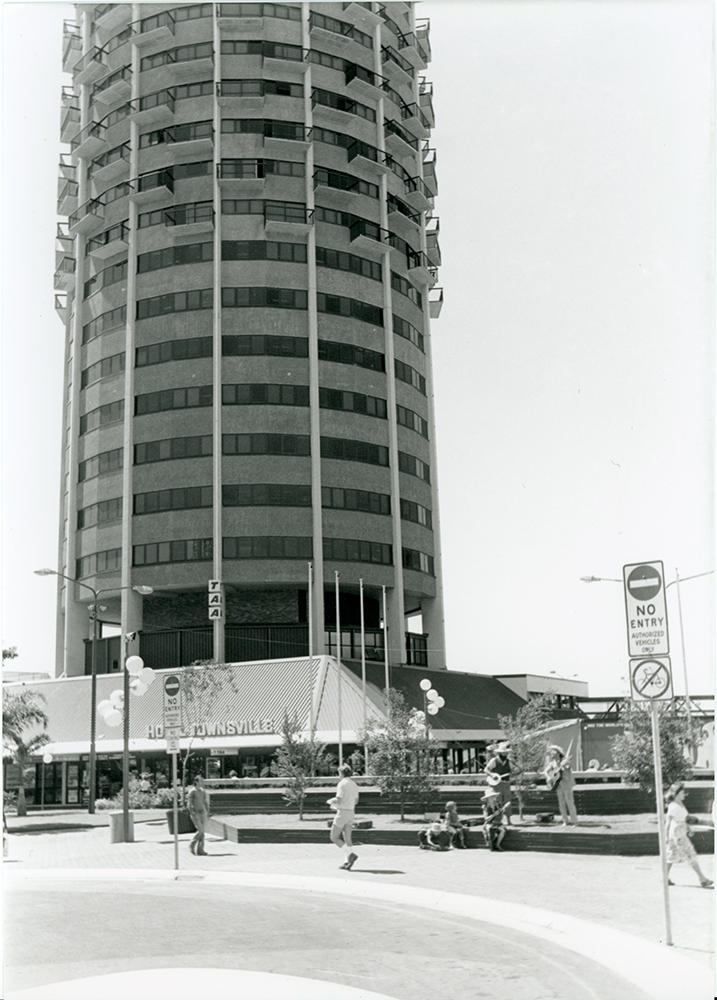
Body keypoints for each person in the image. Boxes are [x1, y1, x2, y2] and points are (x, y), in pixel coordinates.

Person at [664, 782, 712, 888]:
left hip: (679, 832)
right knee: (690, 853)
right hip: (677, 834)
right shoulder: (673, 806)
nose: (684, 794)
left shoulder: (680, 804)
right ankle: (702, 879)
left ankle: (664, 878)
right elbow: (668, 821)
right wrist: (666, 836)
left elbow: (684, 818)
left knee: (671, 856)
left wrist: (689, 828)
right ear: (676, 793)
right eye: (682, 792)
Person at [329, 763, 360, 870]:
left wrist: (331, 803)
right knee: (348, 838)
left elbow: (339, 799)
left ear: (341, 773)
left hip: (342, 813)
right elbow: (356, 801)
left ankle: (351, 855)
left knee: (334, 837)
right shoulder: (354, 784)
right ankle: (347, 862)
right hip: (351, 812)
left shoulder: (342, 784)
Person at [544, 745, 578, 826]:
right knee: (561, 804)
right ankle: (565, 821)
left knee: (570, 803)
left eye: (554, 751)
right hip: (558, 785)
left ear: (558, 753)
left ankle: (574, 822)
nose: (552, 753)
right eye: (551, 751)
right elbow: (545, 771)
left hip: (567, 784)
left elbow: (568, 767)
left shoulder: (565, 760)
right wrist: (549, 777)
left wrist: (565, 766)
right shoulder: (552, 763)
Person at [485, 742, 513, 824]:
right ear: (499, 753)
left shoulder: (509, 761)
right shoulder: (494, 760)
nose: (504, 754)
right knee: (497, 801)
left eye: (505, 753)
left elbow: (512, 771)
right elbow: (486, 770)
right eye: (503, 753)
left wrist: (514, 773)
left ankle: (508, 819)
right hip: (496, 785)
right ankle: (497, 820)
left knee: (508, 801)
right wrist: (492, 775)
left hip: (506, 783)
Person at [187, 775, 209, 856]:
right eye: (200, 781)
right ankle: (191, 845)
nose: (202, 782)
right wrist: (191, 812)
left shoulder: (203, 791)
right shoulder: (192, 791)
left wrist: (207, 811)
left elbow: (205, 802)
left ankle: (200, 850)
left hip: (202, 812)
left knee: (202, 832)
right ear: (196, 782)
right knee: (200, 830)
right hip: (195, 813)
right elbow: (189, 803)